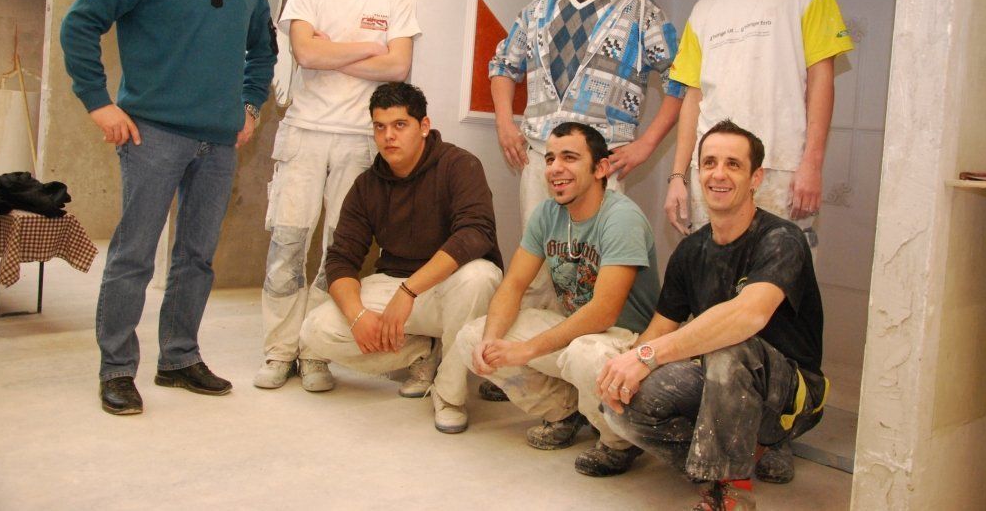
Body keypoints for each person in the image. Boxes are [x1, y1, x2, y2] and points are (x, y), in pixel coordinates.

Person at [61, 0, 277, 415]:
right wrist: (99, 104)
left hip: (218, 143)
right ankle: (117, 369)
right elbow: (79, 24)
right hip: (151, 135)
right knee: (134, 256)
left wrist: (249, 107)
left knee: (197, 257)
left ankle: (179, 358)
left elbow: (263, 51)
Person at [662, 0, 851, 481]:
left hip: (782, 167)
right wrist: (678, 174)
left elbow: (821, 78)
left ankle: (777, 426)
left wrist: (812, 161)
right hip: (713, 171)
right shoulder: (704, 10)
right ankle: (719, 418)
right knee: (714, 293)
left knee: (777, 301)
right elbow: (692, 99)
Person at [599, 120, 828, 511]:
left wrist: (648, 356)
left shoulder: (781, 239)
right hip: (721, 385)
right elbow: (659, 329)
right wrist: (624, 370)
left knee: (729, 347)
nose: (718, 174)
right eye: (709, 163)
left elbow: (747, 316)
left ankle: (732, 491)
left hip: (790, 395)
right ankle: (735, 457)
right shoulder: (691, 251)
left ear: (756, 178)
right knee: (623, 407)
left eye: (733, 165)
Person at [254, 0, 421, 391]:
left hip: (359, 142)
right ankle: (279, 351)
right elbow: (305, 52)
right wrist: (369, 47)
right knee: (287, 246)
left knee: (338, 253)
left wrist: (334, 53)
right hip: (304, 135)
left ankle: (315, 352)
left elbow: (398, 68)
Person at [488, 0, 684, 309]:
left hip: (601, 165)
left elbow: (680, 79)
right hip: (541, 158)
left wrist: (647, 144)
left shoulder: (639, 10)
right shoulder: (539, 8)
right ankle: (529, 348)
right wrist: (505, 123)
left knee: (594, 273)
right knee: (537, 272)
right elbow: (504, 65)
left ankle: (585, 349)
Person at [455, 122, 661, 477]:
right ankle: (566, 412)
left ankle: (620, 441)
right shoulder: (547, 214)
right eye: (550, 158)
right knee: (473, 338)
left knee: (584, 353)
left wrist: (527, 350)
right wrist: (492, 340)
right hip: (577, 332)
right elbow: (513, 285)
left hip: (625, 342)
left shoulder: (622, 218)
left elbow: (603, 313)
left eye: (569, 157)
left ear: (600, 168)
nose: (555, 168)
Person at [299, 82, 503, 433]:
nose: (388, 136)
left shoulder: (459, 165)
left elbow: (475, 233)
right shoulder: (367, 185)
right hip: (394, 286)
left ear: (424, 126)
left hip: (448, 288)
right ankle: (422, 351)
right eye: (379, 127)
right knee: (316, 330)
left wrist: (409, 291)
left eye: (399, 125)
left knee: (480, 276)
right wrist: (358, 316)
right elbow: (341, 259)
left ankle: (449, 393)